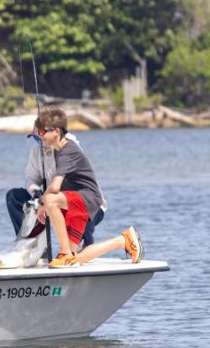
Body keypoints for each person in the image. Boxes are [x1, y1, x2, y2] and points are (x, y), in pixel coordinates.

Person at [34, 106, 143, 268]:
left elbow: (55, 187)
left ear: (56, 131)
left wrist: (42, 205)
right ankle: (123, 240)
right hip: (79, 202)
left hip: (88, 198)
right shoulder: (58, 151)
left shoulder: (67, 150)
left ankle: (64, 252)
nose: (39, 135)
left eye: (42, 132)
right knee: (73, 259)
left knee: (50, 199)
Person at [6, 119, 106, 246]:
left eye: (42, 136)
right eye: (36, 138)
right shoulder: (36, 151)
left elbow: (55, 185)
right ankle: (29, 244)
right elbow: (31, 178)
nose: (40, 141)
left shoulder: (69, 145)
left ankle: (88, 243)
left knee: (74, 214)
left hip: (89, 205)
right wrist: (36, 192)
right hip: (54, 202)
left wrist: (44, 201)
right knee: (13, 196)